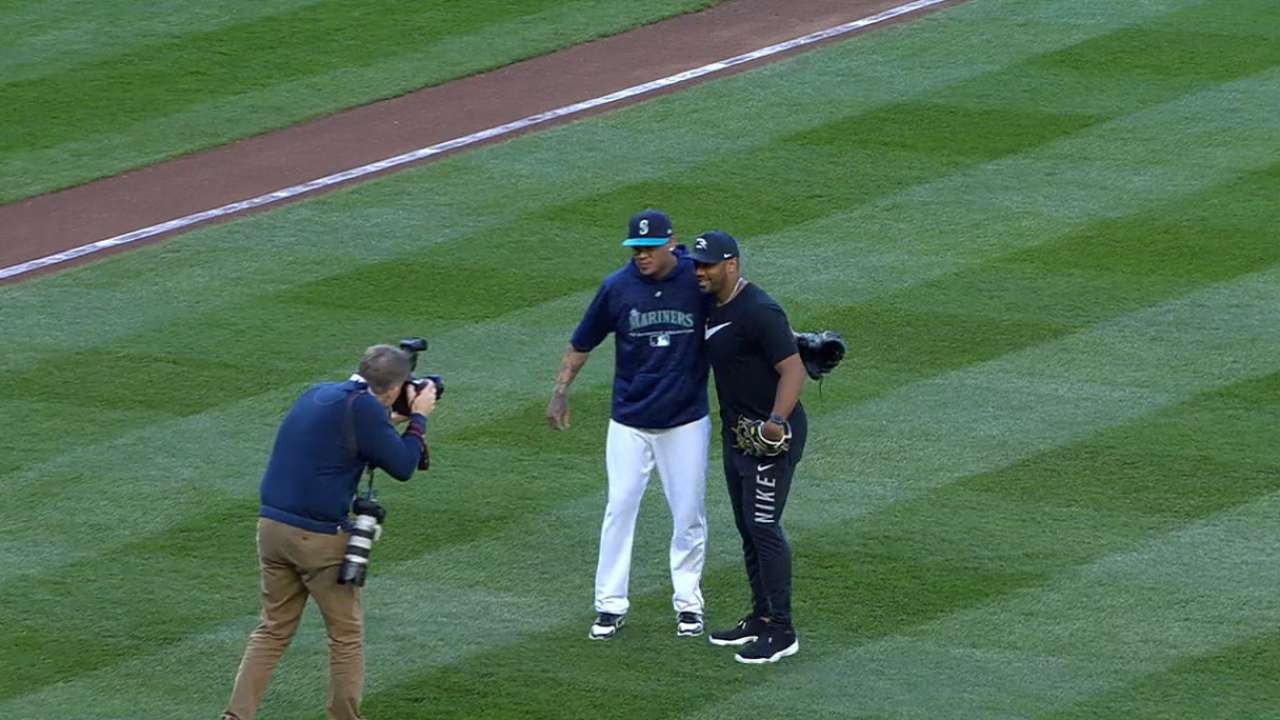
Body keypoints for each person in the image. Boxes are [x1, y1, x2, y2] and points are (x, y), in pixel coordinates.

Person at [221, 344, 438, 720]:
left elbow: (346, 438)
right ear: (394, 386)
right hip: (317, 539)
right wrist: (419, 416)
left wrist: (391, 417)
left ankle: (235, 716)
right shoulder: (367, 408)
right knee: (345, 635)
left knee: (272, 630)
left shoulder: (318, 392)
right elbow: (402, 465)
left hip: (271, 530)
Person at [547, 208, 712, 640]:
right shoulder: (616, 288)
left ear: (671, 243)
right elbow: (582, 342)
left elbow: (740, 309)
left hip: (685, 420)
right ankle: (609, 605)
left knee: (688, 513)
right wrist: (560, 390)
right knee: (619, 508)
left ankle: (689, 604)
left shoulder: (698, 280)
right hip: (629, 420)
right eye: (636, 248)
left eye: (649, 248)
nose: (641, 255)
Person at [691, 230, 807, 664]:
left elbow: (792, 370)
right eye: (697, 265)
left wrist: (776, 423)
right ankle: (760, 617)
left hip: (771, 438)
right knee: (746, 525)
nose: (700, 271)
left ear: (732, 265)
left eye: (708, 264)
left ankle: (782, 629)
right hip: (737, 435)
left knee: (763, 525)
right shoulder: (708, 305)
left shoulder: (759, 309)